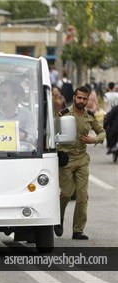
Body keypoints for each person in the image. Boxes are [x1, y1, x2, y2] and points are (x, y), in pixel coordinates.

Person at [55, 85, 106, 240]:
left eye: (85, 98)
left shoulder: (90, 117)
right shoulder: (63, 115)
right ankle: (59, 219)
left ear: (87, 99)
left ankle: (78, 230)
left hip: (82, 159)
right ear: (74, 98)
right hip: (66, 158)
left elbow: (102, 132)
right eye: (79, 98)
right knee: (65, 194)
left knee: (82, 196)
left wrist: (94, 139)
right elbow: (51, 134)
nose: (81, 101)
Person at [0, 79, 36, 144]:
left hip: (20, 153)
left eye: (3, 94)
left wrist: (23, 137)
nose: (0, 97)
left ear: (14, 96)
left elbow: (31, 137)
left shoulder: (27, 116)